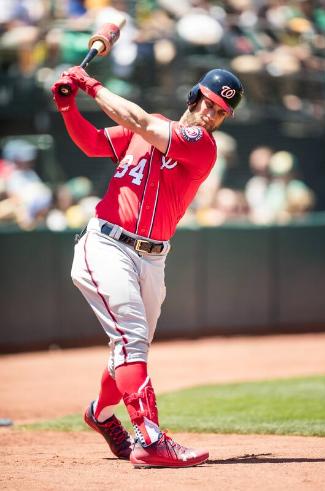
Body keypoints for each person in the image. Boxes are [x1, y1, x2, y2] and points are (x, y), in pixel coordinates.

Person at [51, 65, 244, 468]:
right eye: (209, 102)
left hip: (153, 258)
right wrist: (69, 109)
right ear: (195, 95)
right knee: (132, 340)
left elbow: (138, 121)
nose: (211, 113)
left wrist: (89, 85)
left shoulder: (201, 145)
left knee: (126, 347)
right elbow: (92, 144)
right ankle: (150, 438)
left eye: (221, 110)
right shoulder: (152, 125)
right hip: (107, 243)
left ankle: (100, 414)